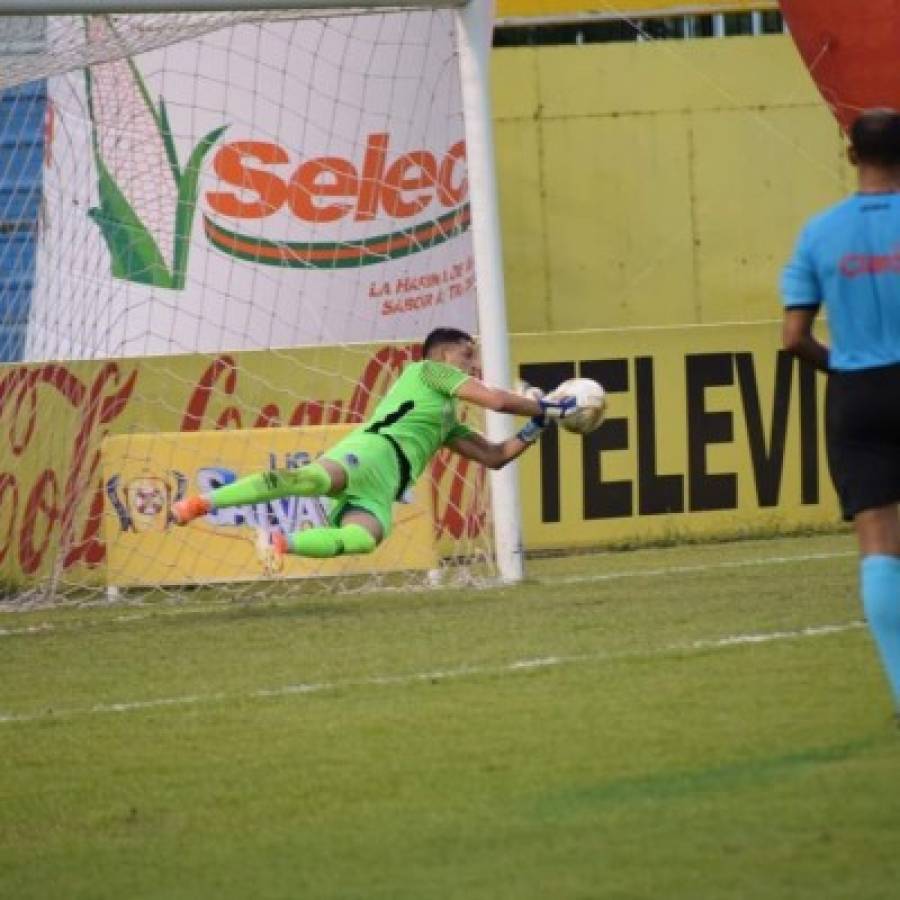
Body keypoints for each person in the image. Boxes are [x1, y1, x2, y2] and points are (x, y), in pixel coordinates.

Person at [171, 326, 577, 559]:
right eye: (468, 355)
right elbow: (499, 401)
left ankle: (278, 544)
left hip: (386, 485)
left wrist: (537, 427)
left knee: (365, 538)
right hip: (372, 451)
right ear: (443, 355)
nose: (475, 364)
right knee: (308, 480)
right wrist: (548, 407)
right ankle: (200, 503)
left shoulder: (444, 419)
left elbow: (494, 456)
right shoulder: (429, 371)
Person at [780, 108, 900, 718]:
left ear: (851, 156)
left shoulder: (819, 232)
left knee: (879, 542)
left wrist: (843, 367)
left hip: (855, 391)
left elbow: (793, 336)